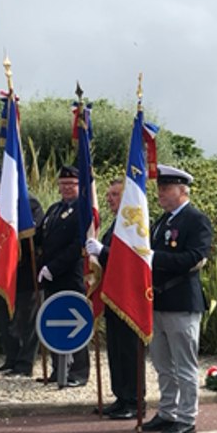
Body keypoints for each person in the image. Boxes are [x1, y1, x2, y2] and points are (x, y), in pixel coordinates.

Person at [142, 165, 212, 433]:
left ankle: (186, 417)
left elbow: (193, 258)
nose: (160, 194)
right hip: (159, 300)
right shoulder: (163, 221)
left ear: (182, 191)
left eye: (166, 189)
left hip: (182, 301)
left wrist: (153, 258)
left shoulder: (195, 220)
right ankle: (167, 411)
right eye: (159, 188)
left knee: (184, 366)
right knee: (163, 364)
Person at [85, 178, 140, 419]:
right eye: (107, 195)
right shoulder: (115, 224)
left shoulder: (134, 224)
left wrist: (102, 251)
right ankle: (121, 397)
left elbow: (130, 259)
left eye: (115, 195)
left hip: (129, 297)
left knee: (130, 352)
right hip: (112, 295)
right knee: (116, 351)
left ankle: (134, 402)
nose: (109, 199)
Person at [0, 170, 45, 377]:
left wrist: (1, 249)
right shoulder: (0, 208)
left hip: (26, 270)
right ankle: (12, 358)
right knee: (6, 317)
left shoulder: (29, 204)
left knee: (27, 319)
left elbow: (33, 237)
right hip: (5, 273)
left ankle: (25, 363)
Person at [37, 165, 90, 387]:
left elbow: (78, 245)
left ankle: (78, 372)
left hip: (70, 275)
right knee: (53, 324)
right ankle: (58, 369)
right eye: (63, 184)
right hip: (51, 277)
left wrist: (54, 267)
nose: (67, 188)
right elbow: (42, 238)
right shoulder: (54, 209)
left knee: (76, 324)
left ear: (80, 186)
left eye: (72, 184)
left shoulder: (82, 210)